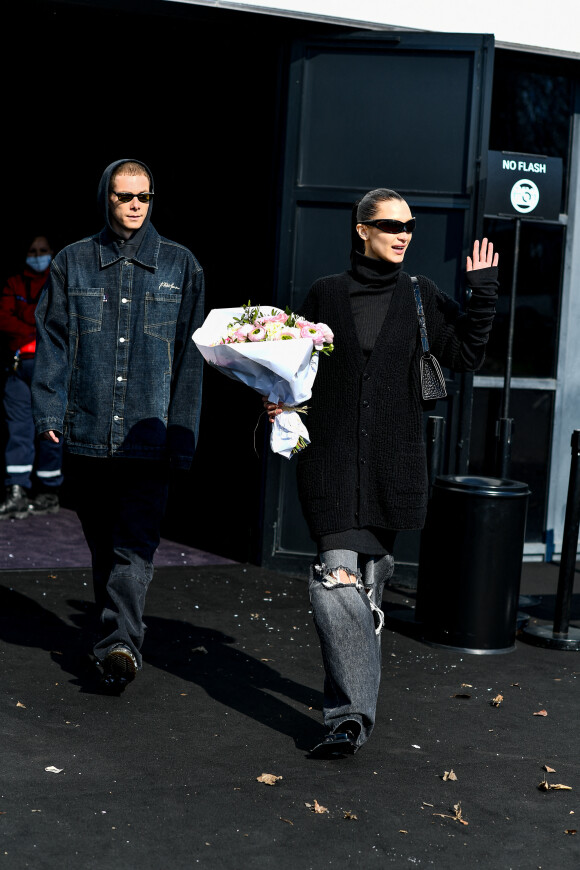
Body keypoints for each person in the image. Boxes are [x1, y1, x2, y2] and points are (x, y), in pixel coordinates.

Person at [265, 188, 499, 758]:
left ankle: (354, 685)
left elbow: (467, 356)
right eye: (391, 224)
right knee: (335, 580)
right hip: (332, 466)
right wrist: (279, 400)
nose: (403, 234)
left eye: (409, 225)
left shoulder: (422, 297)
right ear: (361, 230)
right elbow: (298, 372)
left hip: (391, 470)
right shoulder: (326, 294)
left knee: (365, 584)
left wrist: (483, 293)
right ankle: (349, 717)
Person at [32, 159, 205, 692]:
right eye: (124, 195)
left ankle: (119, 644)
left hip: (148, 438)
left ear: (153, 200)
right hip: (85, 432)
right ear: (105, 197)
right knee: (104, 544)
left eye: (144, 196)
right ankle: (116, 635)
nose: (135, 205)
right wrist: (48, 410)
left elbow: (191, 358)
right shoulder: (72, 262)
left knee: (135, 544)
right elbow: (53, 340)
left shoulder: (181, 266)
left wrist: (183, 432)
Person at [0, 234, 64, 519]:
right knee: (19, 431)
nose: (38, 254)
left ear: (52, 252)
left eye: (43, 250)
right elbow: (4, 319)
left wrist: (31, 325)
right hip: (18, 368)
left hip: (50, 367)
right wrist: (36, 328)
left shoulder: (60, 280)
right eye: (32, 250)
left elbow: (62, 321)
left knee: (50, 429)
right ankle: (17, 491)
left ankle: (48, 492)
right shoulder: (14, 283)